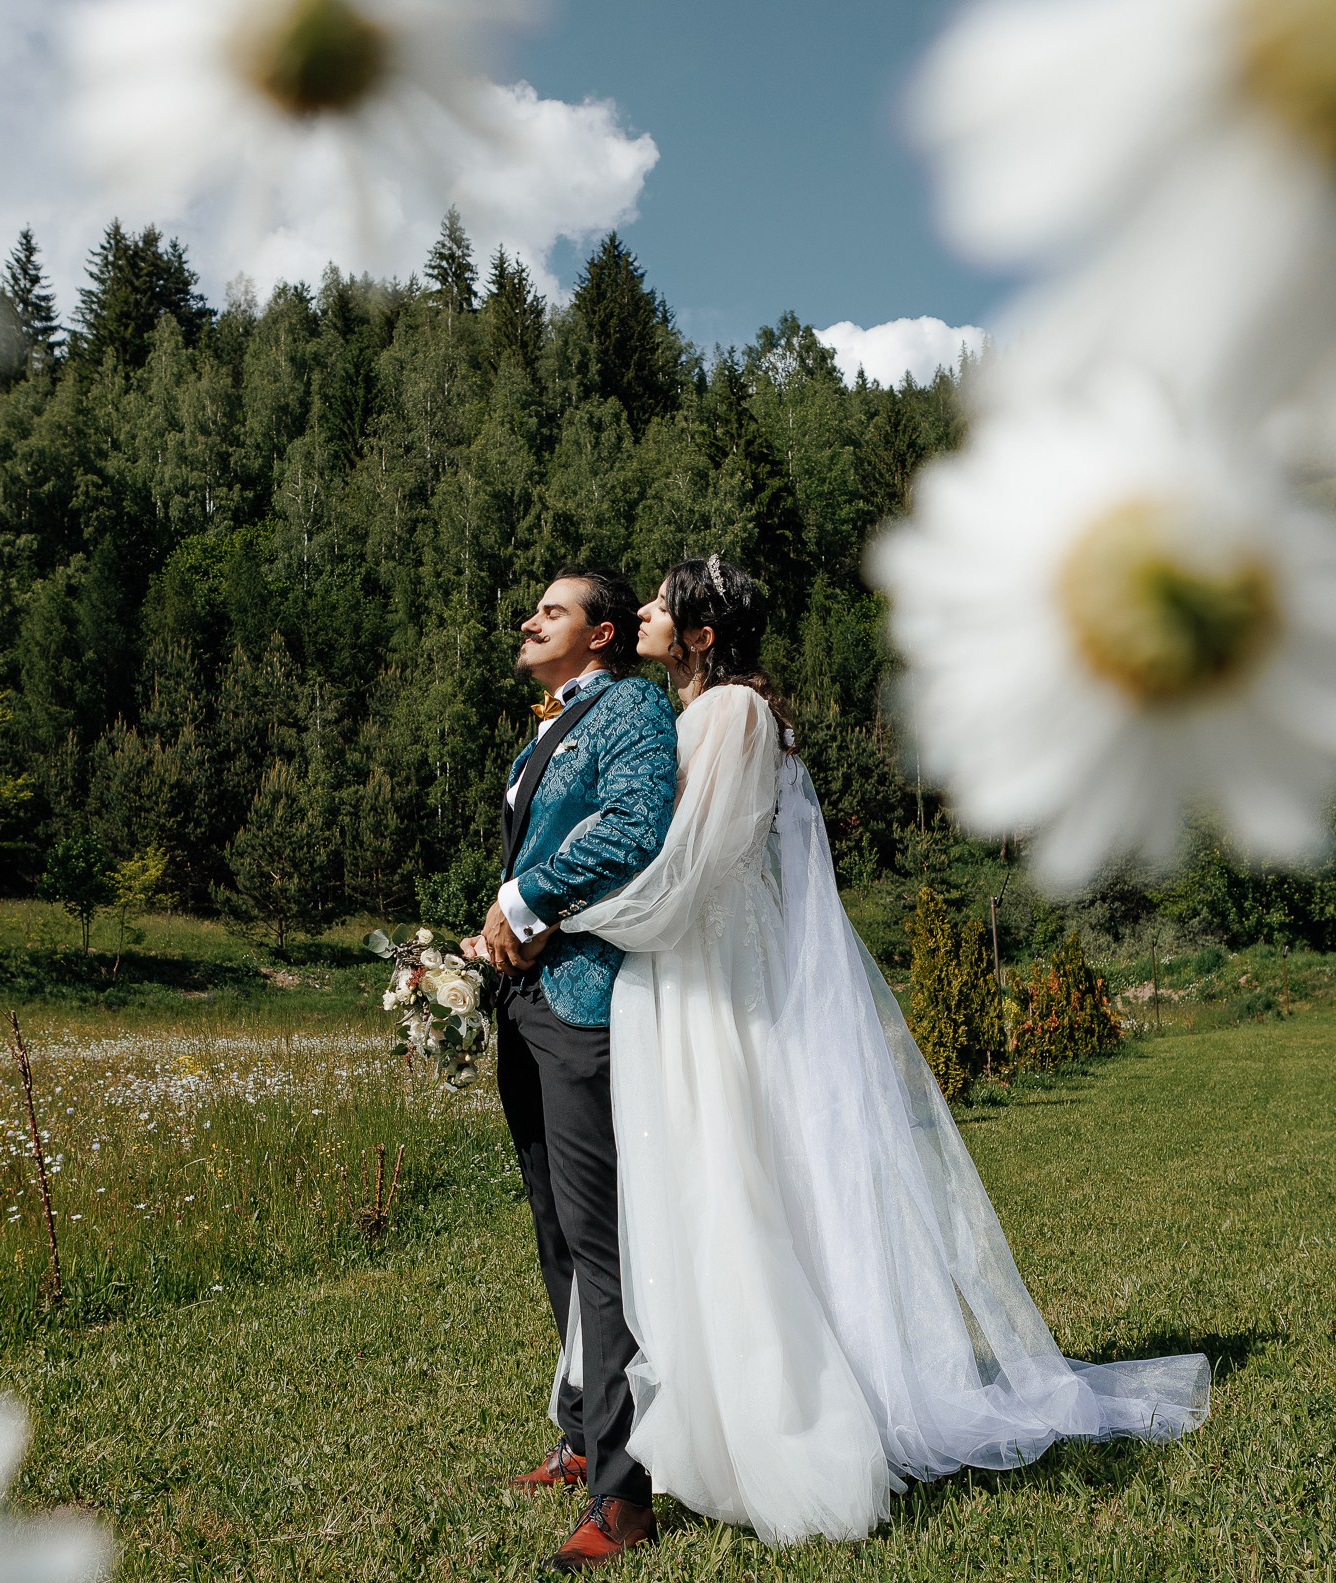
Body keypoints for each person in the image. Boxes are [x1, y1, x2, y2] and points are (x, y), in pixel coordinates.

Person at [525, 554, 1212, 1548]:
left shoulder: (731, 714)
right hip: (683, 972)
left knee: (731, 1185)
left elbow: (687, 871)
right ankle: (685, 1423)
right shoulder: (698, 713)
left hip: (713, 978)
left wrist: (561, 914)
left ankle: (783, 1428)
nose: (643, 611)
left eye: (662, 605)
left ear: (701, 635)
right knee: (691, 1189)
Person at [463, 567, 678, 1573]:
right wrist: (491, 936)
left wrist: (524, 901)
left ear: (601, 634)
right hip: (526, 1000)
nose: (529, 619)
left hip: (582, 998)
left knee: (598, 1243)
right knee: (553, 1229)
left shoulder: (630, 706)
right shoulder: (549, 724)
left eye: (551, 610)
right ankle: (582, 1433)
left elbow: (636, 827)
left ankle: (623, 1494)